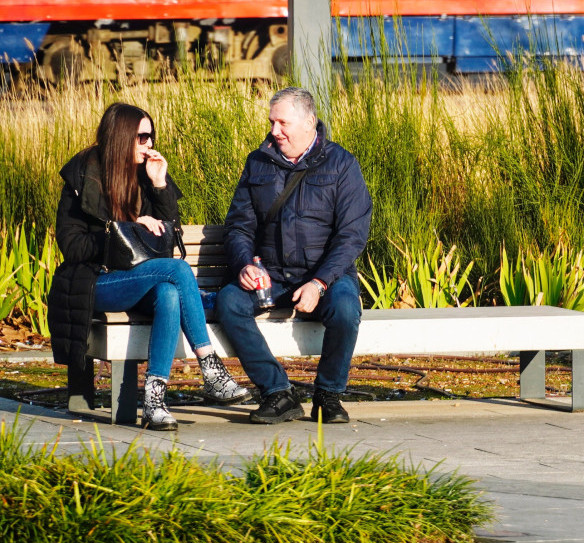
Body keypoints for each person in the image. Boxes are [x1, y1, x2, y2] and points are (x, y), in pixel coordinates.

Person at [50, 102, 249, 430]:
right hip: (97, 282)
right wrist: (125, 228)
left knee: (169, 293)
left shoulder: (148, 173)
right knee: (179, 271)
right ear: (121, 136)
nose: (150, 145)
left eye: (151, 136)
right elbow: (72, 247)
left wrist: (159, 186)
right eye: (142, 137)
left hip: (141, 278)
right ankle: (211, 370)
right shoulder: (82, 175)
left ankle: (154, 401)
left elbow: (168, 236)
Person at [216, 87, 372, 424]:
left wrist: (319, 282)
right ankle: (277, 394)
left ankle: (328, 395)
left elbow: (352, 236)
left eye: (282, 123)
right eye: (272, 122)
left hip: (326, 274)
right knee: (228, 303)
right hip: (272, 274)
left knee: (346, 309)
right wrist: (245, 264)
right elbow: (239, 226)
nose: (274, 131)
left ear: (309, 122)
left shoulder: (342, 164)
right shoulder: (257, 162)